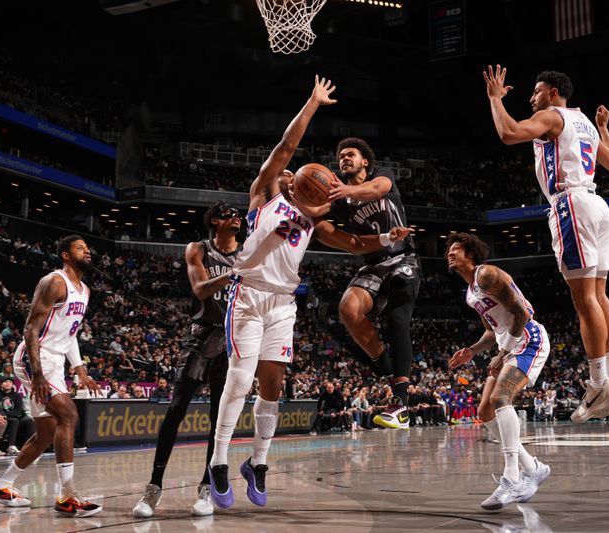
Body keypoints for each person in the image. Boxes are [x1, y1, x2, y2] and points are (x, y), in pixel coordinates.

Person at [207, 75, 411, 510]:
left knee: (273, 387)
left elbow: (356, 243)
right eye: (286, 170)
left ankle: (257, 464)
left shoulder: (314, 217)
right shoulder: (262, 196)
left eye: (292, 173)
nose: (285, 171)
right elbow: (285, 145)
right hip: (247, 295)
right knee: (240, 381)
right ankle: (219, 461)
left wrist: (386, 238)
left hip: (283, 302)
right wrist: (314, 103)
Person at [482, 65, 609, 422]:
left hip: (571, 205)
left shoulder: (551, 116)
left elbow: (508, 132)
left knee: (584, 300)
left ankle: (598, 382)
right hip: (598, 205)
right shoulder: (583, 122)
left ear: (552, 92)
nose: (531, 98)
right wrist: (604, 130)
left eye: (536, 92)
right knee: (600, 295)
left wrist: (493, 99)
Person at [133, 201, 241, 518]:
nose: (236, 217)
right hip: (201, 334)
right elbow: (200, 288)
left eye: (238, 214)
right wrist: (234, 274)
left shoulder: (248, 253)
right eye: (229, 214)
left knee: (218, 420)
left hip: (232, 339)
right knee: (176, 410)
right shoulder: (199, 248)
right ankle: (153, 488)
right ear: (215, 222)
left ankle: (206, 489)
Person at [0, 235, 102, 516]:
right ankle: (67, 496)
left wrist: (80, 370)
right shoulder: (54, 281)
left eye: (88, 248)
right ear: (65, 255)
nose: (87, 251)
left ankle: (1, 485)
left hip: (56, 361)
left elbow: (70, 334)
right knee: (69, 416)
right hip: (35, 357)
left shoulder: (84, 290)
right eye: (80, 248)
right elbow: (30, 329)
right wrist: (37, 373)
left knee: (47, 433)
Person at [308, 137, 421, 429]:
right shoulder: (340, 202)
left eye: (351, 154)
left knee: (397, 320)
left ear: (365, 161)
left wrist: (345, 190)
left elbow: (378, 189)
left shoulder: (383, 174)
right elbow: (312, 212)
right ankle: (389, 376)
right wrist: (292, 189)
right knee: (347, 308)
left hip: (402, 257)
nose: (345, 158)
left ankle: (402, 404)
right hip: (372, 263)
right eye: (341, 156)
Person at [445, 233, 551, 510]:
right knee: (485, 412)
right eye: (449, 250)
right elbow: (492, 330)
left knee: (501, 398)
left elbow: (521, 314)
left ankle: (512, 478)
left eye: (456, 249)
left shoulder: (488, 275)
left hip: (529, 340)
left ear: (471, 254)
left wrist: (503, 353)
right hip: (508, 345)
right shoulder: (471, 292)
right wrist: (473, 350)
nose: (450, 253)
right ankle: (533, 467)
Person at [0, 376, 35, 455]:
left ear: (12, 384)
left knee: (28, 420)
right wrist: (3, 415)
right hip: (2, 417)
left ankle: (31, 446)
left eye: (10, 382)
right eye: (5, 382)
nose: (8, 383)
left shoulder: (17, 395)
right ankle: (11, 447)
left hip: (14, 415)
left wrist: (7, 414)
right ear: (1, 384)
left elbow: (18, 410)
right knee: (14, 421)